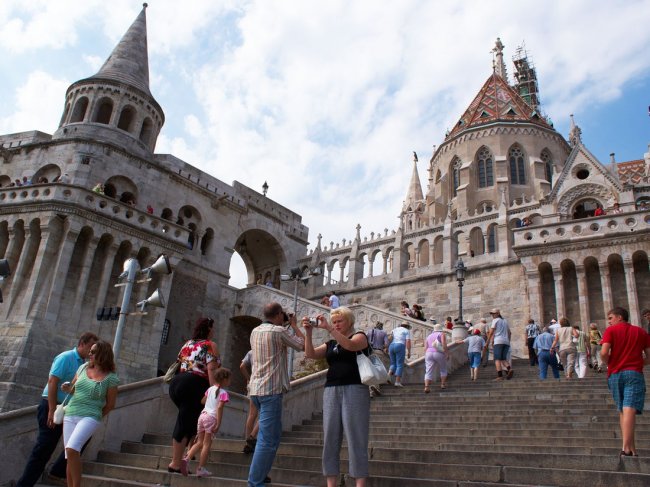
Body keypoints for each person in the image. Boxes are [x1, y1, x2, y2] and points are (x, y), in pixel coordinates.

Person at [16, 332, 98, 487]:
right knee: (44, 448)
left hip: (68, 409)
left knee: (81, 439)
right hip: (52, 406)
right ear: (82, 343)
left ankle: (57, 471)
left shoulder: (83, 365)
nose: (91, 352)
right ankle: (24, 484)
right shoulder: (66, 357)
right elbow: (52, 382)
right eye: (90, 348)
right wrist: (51, 410)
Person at [303, 307, 370, 487]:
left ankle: (360, 483)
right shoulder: (331, 344)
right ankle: (331, 482)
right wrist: (308, 333)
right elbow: (310, 354)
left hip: (355, 389)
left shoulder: (361, 336)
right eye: (334, 321)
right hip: (331, 390)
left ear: (349, 321)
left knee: (357, 437)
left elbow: (350, 346)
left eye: (339, 321)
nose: (336, 324)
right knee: (330, 438)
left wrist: (329, 329)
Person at [247, 302, 304, 487]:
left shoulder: (255, 331)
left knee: (272, 435)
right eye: (283, 315)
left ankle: (261, 474)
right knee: (268, 439)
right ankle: (255, 482)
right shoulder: (278, 332)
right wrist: (294, 325)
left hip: (256, 389)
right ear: (279, 314)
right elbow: (302, 345)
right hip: (271, 390)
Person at [62, 340, 119, 487]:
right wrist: (67, 388)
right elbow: (74, 389)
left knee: (72, 448)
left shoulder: (111, 378)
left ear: (102, 354)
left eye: (93, 352)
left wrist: (97, 415)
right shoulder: (82, 368)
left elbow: (111, 404)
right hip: (71, 413)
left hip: (91, 416)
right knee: (70, 456)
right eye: (90, 351)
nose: (89, 354)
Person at [167, 317, 220, 474]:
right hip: (194, 385)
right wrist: (214, 392)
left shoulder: (188, 344)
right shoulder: (210, 345)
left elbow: (179, 362)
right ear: (209, 329)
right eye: (213, 328)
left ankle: (185, 459)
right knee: (184, 422)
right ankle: (175, 463)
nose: (214, 331)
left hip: (177, 384)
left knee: (191, 420)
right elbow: (211, 370)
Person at [600, 307, 650, 457]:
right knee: (628, 409)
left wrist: (610, 362)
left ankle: (628, 447)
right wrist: (638, 363)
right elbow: (649, 356)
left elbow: (603, 352)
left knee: (623, 410)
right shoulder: (641, 332)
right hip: (634, 373)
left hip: (615, 374)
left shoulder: (611, 331)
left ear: (620, 317)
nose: (609, 322)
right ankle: (628, 448)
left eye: (610, 318)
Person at [181, 367, 232, 477]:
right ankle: (201, 469)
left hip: (202, 416)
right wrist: (218, 423)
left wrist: (210, 401)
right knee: (206, 444)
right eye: (229, 379)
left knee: (199, 442)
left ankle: (186, 458)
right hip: (211, 418)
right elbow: (219, 408)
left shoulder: (210, 389)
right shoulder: (224, 393)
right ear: (224, 380)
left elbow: (202, 401)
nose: (230, 382)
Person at [240, 350, 259, 453]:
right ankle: (252, 437)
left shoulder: (251, 352)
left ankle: (247, 441)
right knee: (267, 412)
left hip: (253, 384)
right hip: (265, 383)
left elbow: (242, 366)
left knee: (252, 414)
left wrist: (249, 378)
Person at [486, 308, 513, 380]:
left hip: (498, 341)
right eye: (491, 313)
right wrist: (508, 341)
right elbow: (509, 333)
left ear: (498, 313)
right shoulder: (505, 321)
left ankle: (500, 376)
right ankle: (509, 369)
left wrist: (487, 342)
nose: (492, 315)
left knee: (497, 359)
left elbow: (491, 332)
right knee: (503, 358)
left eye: (494, 313)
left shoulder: (495, 320)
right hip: (506, 342)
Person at [423, 324, 449, 391]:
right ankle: (442, 384)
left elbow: (425, 347)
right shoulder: (441, 334)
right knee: (443, 368)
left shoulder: (428, 336)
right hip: (438, 352)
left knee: (428, 371)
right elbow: (444, 344)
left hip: (428, 353)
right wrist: (446, 353)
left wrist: (426, 355)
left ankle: (426, 387)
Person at [367, 322, 389, 397]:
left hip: (369, 352)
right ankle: (375, 387)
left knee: (371, 371)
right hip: (379, 352)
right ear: (381, 327)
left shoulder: (369, 332)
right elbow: (386, 344)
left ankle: (371, 391)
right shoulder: (383, 333)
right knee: (377, 370)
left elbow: (365, 341)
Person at [388, 322, 411, 387]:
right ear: (407, 326)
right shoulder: (406, 330)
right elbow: (408, 341)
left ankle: (388, 376)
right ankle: (397, 382)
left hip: (391, 346)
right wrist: (409, 351)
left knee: (393, 363)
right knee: (400, 364)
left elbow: (390, 338)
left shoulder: (394, 329)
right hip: (400, 345)